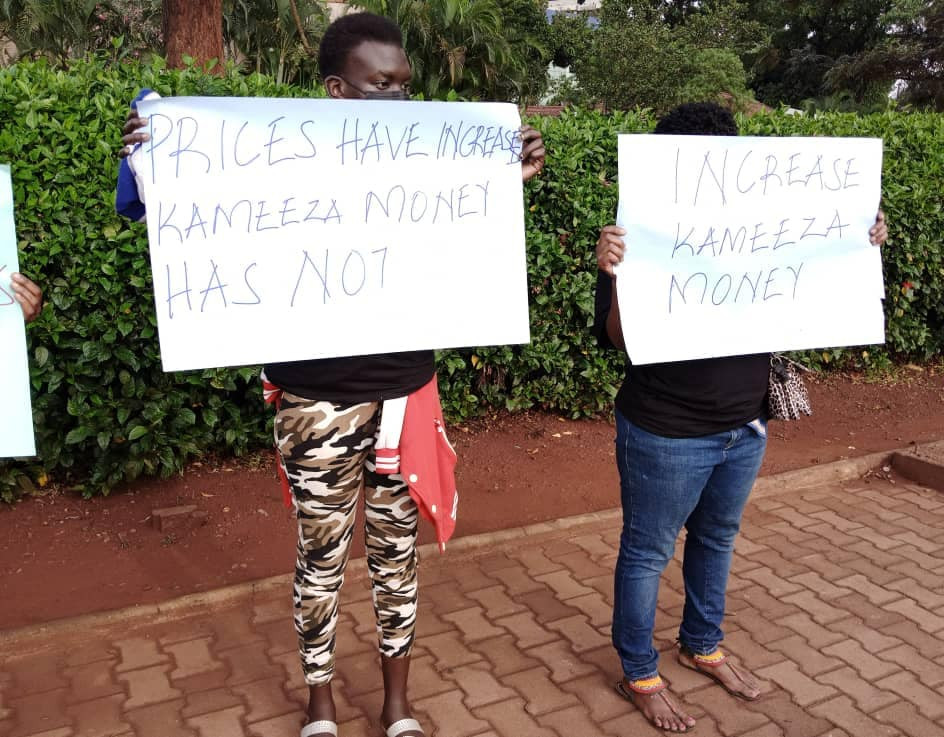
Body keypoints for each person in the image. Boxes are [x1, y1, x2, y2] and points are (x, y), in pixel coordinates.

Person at [115, 13, 545, 737]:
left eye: (405, 85)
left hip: (406, 395)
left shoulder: (428, 157)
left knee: (396, 555)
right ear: (337, 90)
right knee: (320, 556)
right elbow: (193, 199)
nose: (399, 98)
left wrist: (510, 172)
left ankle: (397, 704)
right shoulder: (278, 157)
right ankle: (321, 703)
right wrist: (154, 154)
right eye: (382, 84)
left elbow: (465, 225)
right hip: (314, 400)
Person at [593, 102, 887, 733]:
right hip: (666, 431)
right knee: (647, 552)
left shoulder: (765, 220)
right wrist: (614, 273)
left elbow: (816, 271)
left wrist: (857, 241)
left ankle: (702, 645)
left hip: (746, 424)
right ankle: (639, 671)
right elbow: (617, 339)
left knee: (717, 538)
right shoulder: (636, 235)